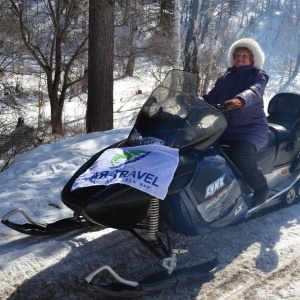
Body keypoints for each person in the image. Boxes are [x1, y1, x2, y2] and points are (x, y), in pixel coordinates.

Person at [201, 38, 269, 207]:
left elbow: (254, 92)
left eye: (244, 55)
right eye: (237, 54)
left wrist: (240, 100)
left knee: (240, 153)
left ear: (253, 58)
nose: (240, 58)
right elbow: (211, 98)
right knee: (203, 150)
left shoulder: (258, 76)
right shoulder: (225, 78)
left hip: (251, 129)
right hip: (225, 128)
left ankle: (261, 188)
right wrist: (192, 100)